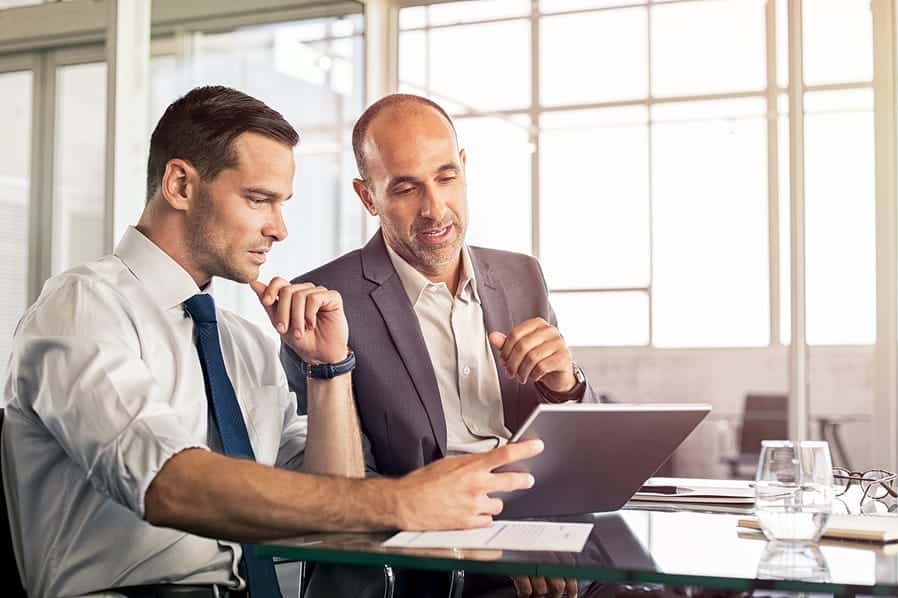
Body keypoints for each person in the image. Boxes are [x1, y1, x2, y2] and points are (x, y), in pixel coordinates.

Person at [0, 86, 542, 598]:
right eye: (260, 200)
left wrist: (329, 370)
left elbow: (336, 515)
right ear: (181, 186)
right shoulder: (84, 308)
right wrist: (404, 501)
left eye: (283, 204)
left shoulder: (244, 344)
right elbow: (168, 483)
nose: (280, 229)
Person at [281, 94, 604, 598]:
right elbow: (336, 493)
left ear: (465, 168)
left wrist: (566, 383)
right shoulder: (325, 303)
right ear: (368, 197)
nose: (435, 209)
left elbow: (583, 450)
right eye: (406, 188)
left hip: (539, 537)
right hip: (424, 567)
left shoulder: (522, 275)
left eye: (446, 177)